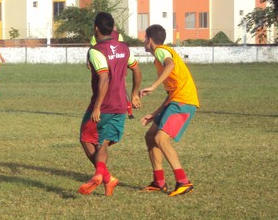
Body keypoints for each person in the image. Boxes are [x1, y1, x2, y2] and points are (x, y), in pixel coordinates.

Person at [78, 12, 142, 196]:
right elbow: (136, 69)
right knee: (102, 144)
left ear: (96, 28)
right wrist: (135, 94)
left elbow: (104, 78)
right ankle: (107, 179)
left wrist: (97, 106)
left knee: (86, 138)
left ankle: (102, 175)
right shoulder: (123, 47)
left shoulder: (96, 50)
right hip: (121, 105)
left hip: (103, 105)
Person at [139, 24, 199, 197]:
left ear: (150, 40)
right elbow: (171, 92)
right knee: (150, 136)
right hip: (176, 99)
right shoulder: (161, 54)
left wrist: (153, 85)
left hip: (184, 101)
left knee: (161, 138)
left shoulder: (160, 51)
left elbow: (170, 64)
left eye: (144, 38)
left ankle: (183, 182)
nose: (144, 41)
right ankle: (159, 182)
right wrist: (155, 114)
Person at [90, 28, 136, 119]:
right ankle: (128, 111)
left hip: (113, 66)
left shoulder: (116, 35)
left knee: (118, 86)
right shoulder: (117, 36)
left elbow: (94, 49)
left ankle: (129, 112)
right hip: (113, 66)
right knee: (121, 87)